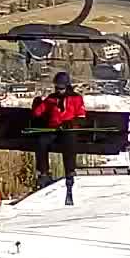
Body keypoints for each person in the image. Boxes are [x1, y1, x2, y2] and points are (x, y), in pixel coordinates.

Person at [31, 71, 87, 205]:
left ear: (67, 86)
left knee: (69, 143)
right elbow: (38, 112)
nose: (59, 90)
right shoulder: (51, 99)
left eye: (61, 87)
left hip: (67, 129)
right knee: (41, 142)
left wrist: (72, 123)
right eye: (57, 87)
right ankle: (44, 172)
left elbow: (81, 115)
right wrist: (37, 103)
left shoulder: (75, 98)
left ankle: (69, 171)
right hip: (53, 129)